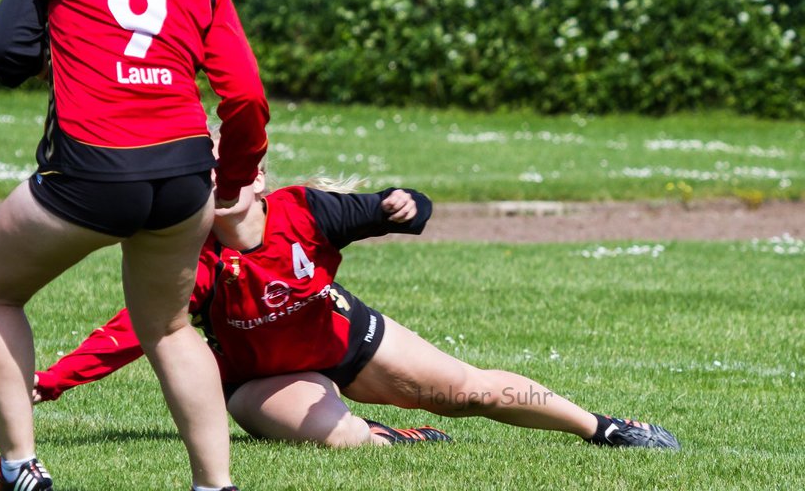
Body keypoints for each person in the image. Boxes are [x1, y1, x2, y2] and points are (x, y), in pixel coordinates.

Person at [0, 0, 269, 491]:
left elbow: (3, 50)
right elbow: (247, 93)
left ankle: (21, 466)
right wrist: (231, 181)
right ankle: (215, 488)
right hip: (183, 177)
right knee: (167, 326)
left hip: (93, 170)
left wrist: (44, 53)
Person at [35, 170, 681, 452]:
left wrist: (408, 205)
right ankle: (390, 436)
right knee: (341, 440)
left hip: (345, 339)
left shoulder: (304, 212)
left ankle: (605, 428)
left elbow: (400, 208)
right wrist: (50, 382)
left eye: (233, 175)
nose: (220, 189)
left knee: (467, 390)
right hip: (262, 378)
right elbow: (136, 331)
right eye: (208, 179)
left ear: (256, 178)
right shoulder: (193, 254)